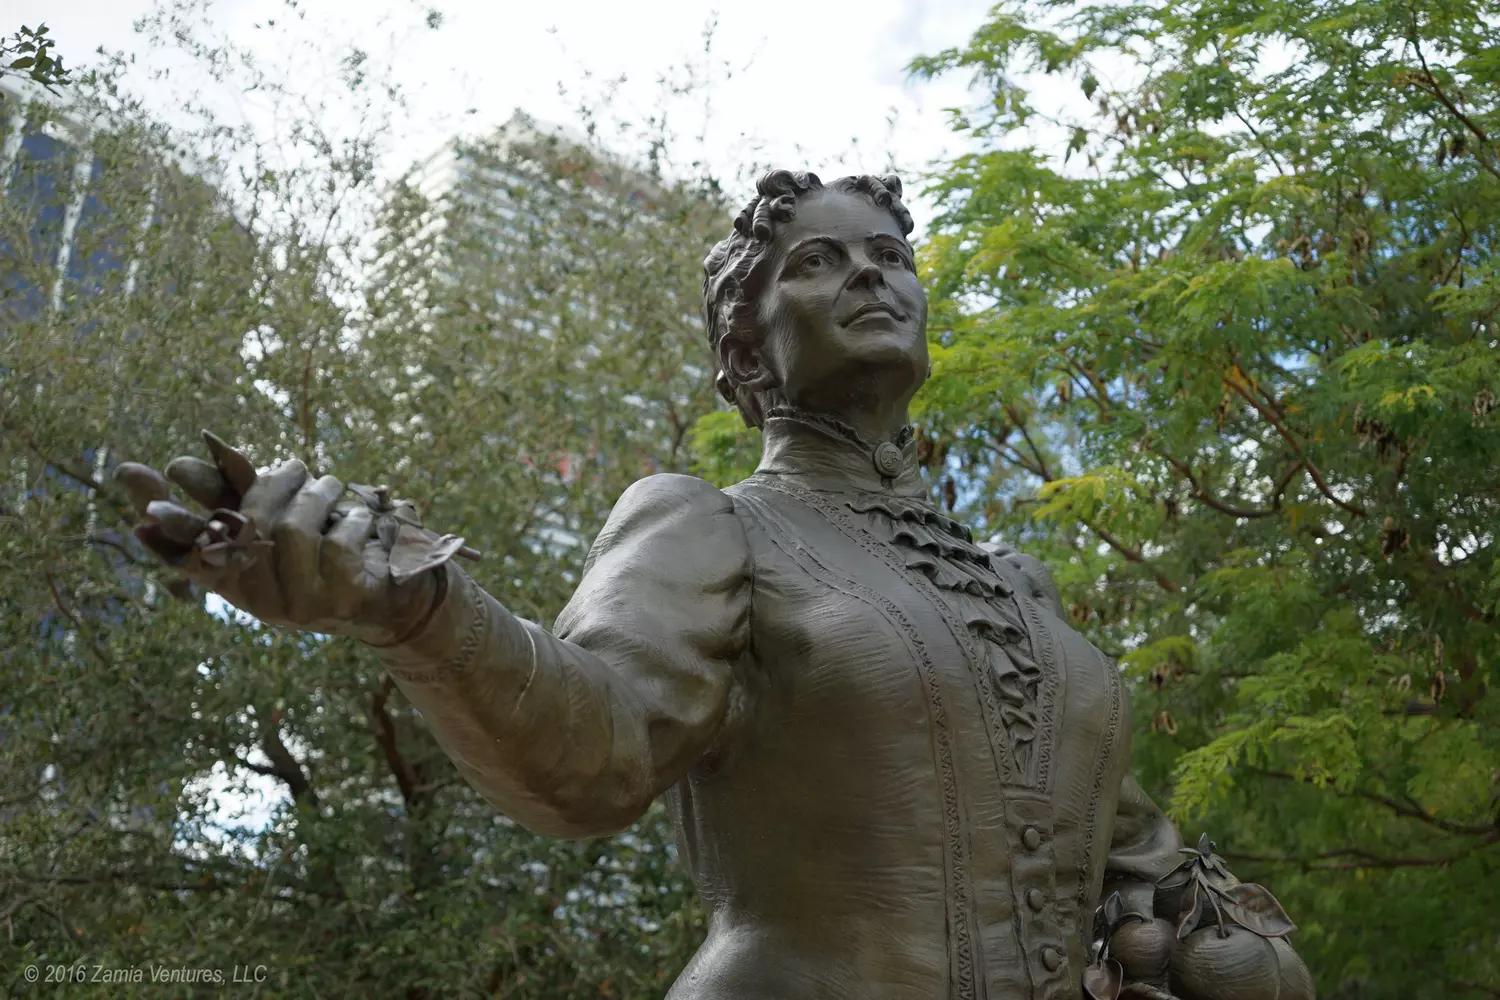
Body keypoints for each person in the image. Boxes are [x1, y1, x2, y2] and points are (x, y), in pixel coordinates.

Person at [120, 170, 1312, 999]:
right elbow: (594, 750)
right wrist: (420, 608)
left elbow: (1131, 854)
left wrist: (1222, 934)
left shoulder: (1022, 586)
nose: (870, 276)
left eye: (892, 256)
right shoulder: (708, 522)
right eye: (818, 262)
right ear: (746, 346)